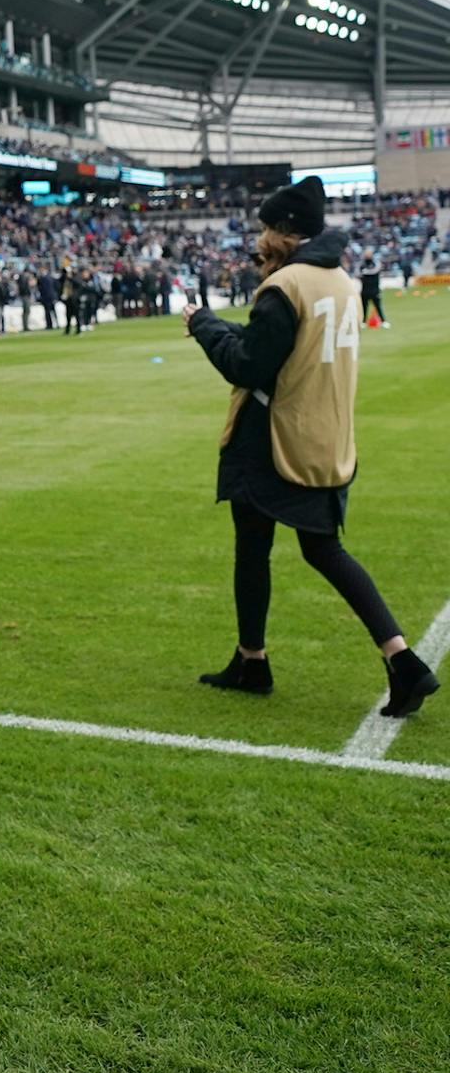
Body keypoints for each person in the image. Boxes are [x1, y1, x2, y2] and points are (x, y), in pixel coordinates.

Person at [182, 176, 437, 718]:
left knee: (253, 547)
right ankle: (401, 659)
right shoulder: (339, 281)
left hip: (271, 437)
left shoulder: (285, 284)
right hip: (325, 434)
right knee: (323, 549)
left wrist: (203, 325)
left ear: (284, 233)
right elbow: (283, 347)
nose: (260, 239)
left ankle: (254, 660)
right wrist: (224, 327)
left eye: (267, 229)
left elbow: (249, 365)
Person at [356, 247, 387, 328]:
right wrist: (365, 273)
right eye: (366, 254)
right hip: (365, 290)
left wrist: (366, 272)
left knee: (378, 306)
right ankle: (363, 322)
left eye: (369, 253)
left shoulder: (376, 263)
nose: (367, 255)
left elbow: (375, 270)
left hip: (374, 290)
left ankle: (383, 321)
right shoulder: (361, 264)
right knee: (364, 307)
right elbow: (358, 273)